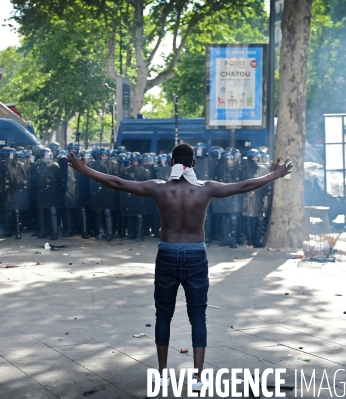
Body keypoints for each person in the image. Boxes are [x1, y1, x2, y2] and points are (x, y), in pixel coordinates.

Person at [67, 143, 293, 390]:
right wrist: (276, 174)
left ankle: (162, 375)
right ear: (193, 164)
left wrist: (85, 170)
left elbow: (118, 183)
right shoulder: (205, 189)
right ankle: (198, 377)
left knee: (163, 314)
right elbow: (244, 186)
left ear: (170, 162)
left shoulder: (159, 188)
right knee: (198, 316)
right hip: (196, 255)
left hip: (167, 254)